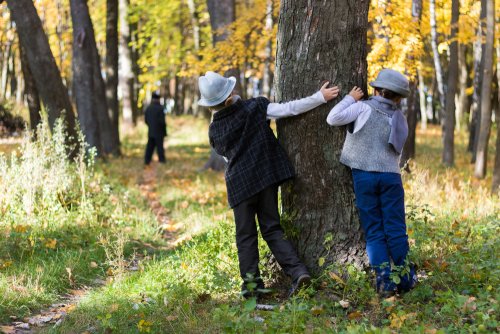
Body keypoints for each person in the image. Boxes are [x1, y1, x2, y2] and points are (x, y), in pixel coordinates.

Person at [198, 71, 339, 298]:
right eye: (231, 90)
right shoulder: (255, 107)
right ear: (228, 97)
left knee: (245, 236)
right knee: (272, 229)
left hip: (240, 186)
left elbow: (226, 156)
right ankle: (298, 272)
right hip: (265, 179)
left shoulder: (214, 129)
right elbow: (288, 109)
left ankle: (252, 287)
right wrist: (319, 97)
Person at [326, 69, 417, 297]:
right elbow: (397, 152)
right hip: (390, 177)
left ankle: (385, 282)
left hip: (364, 176)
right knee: (396, 230)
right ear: (398, 98)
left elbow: (332, 118)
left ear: (376, 90)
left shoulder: (363, 107)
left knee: (375, 230)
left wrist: (350, 98)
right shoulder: (400, 119)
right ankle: (405, 279)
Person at [144, 92, 167, 165]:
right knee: (160, 147)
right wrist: (163, 130)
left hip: (151, 131)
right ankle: (162, 160)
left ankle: (147, 161)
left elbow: (146, 120)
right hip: (159, 132)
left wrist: (151, 126)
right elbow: (162, 122)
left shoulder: (148, 108)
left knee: (150, 147)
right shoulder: (160, 109)